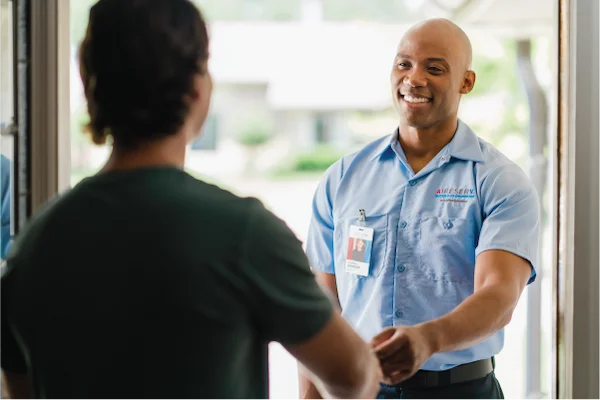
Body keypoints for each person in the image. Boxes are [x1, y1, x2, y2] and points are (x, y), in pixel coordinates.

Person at [0, 1, 382, 399]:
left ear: (90, 85)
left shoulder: (35, 244)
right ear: (197, 89)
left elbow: (20, 391)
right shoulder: (243, 233)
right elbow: (354, 377)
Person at [302, 18, 540, 400]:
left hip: (461, 391)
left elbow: (499, 296)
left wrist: (428, 339)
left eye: (434, 68)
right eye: (404, 64)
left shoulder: (498, 181)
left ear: (466, 82)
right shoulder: (343, 178)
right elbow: (320, 307)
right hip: (361, 389)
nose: (414, 79)